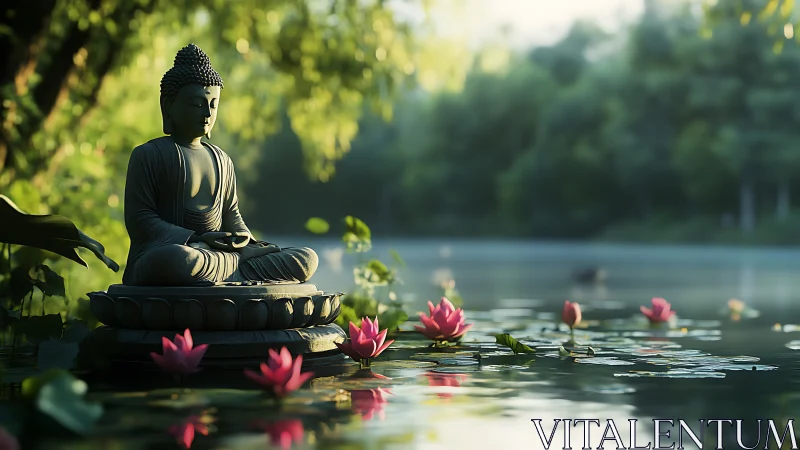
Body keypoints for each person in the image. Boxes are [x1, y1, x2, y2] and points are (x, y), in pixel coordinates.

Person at [121, 44, 317, 286]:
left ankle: (233, 270)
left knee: (306, 258)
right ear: (168, 105)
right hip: (180, 256)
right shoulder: (149, 155)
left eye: (213, 104)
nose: (207, 112)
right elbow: (141, 222)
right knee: (175, 259)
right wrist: (197, 239)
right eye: (196, 104)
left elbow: (231, 214)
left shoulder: (222, 160)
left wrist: (244, 241)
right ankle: (235, 272)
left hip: (220, 257)